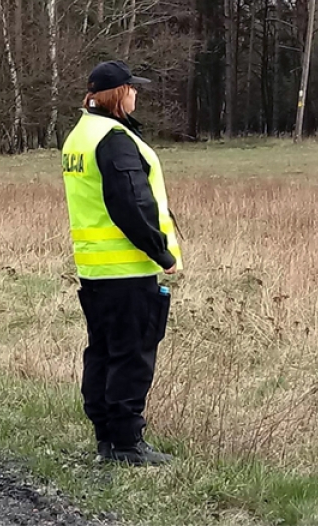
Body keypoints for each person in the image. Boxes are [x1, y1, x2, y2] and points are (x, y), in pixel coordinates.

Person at [61, 60, 182, 467]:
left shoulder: (80, 135)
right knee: (132, 355)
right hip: (128, 269)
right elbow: (132, 204)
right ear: (119, 94)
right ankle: (128, 444)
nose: (136, 95)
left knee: (102, 352)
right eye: (132, 88)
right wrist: (161, 253)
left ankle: (106, 438)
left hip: (94, 270)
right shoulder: (113, 138)